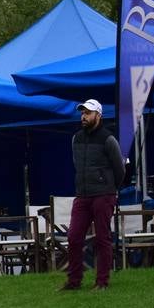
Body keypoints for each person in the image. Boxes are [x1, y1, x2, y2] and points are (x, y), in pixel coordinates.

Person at [62, 98, 126, 291]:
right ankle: (74, 281)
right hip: (82, 195)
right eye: (82, 113)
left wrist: (109, 188)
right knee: (73, 237)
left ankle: (102, 282)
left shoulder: (108, 139)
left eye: (88, 113)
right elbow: (76, 164)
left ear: (98, 115)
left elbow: (120, 169)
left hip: (103, 195)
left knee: (102, 238)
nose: (84, 116)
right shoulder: (76, 139)